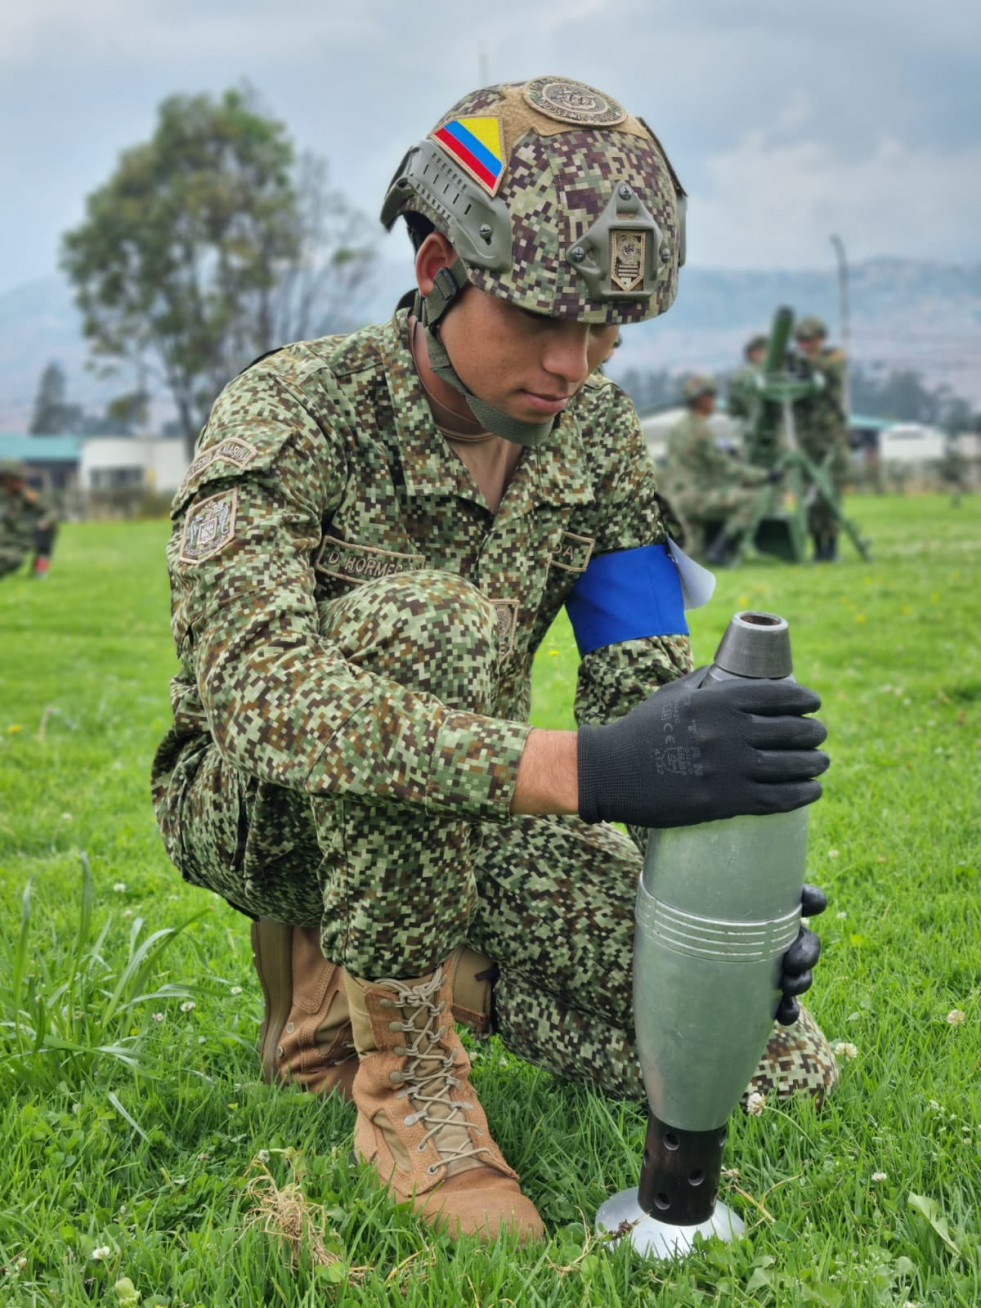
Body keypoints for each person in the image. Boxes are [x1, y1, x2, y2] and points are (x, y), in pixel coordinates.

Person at [152, 77, 836, 1244]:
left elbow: (642, 698)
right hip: (260, 809)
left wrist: (721, 892)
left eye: (606, 332)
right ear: (438, 279)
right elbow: (260, 697)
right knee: (438, 625)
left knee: (768, 1053)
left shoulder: (598, 440)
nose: (577, 365)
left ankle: (384, 988)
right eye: (544, 320)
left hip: (468, 803)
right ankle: (402, 1077)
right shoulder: (295, 413)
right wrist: (589, 774)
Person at [663, 375, 773, 564]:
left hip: (675, 500)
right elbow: (723, 466)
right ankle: (721, 549)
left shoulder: (677, 428)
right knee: (752, 499)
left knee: (694, 558)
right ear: (703, 399)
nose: (714, 402)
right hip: (696, 499)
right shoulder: (701, 429)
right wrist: (764, 476)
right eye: (712, 397)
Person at [791, 316, 851, 561]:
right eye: (800, 341)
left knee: (831, 494)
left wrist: (804, 363)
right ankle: (818, 548)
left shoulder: (833, 359)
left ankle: (832, 547)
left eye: (809, 340)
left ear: (820, 339)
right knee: (811, 496)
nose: (804, 345)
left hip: (831, 439)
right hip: (807, 440)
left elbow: (827, 371)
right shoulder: (798, 364)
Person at [0, 461, 56, 579]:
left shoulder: (27, 495)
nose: (21, 482)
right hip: (4, 535)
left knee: (13, 558)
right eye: (16, 479)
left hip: (18, 537)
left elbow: (51, 511)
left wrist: (44, 522)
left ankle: (40, 568)